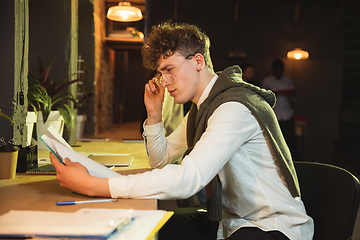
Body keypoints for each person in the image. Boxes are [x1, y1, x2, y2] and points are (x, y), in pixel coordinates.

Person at [50, 22, 314, 240]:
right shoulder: (202, 109)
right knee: (150, 228)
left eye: (170, 70)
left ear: (198, 60)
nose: (164, 81)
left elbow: (190, 178)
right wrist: (154, 115)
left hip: (271, 227)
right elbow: (161, 161)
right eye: (161, 73)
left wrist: (97, 186)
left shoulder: (233, 107)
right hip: (232, 223)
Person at [262, 59, 299, 161]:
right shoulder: (267, 81)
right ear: (273, 70)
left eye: (280, 70)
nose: (278, 72)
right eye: (276, 70)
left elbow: (294, 98)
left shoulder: (288, 80)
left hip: (287, 115)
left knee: (290, 141)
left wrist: (293, 94)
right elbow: (262, 100)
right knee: (274, 142)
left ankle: (294, 162)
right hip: (275, 116)